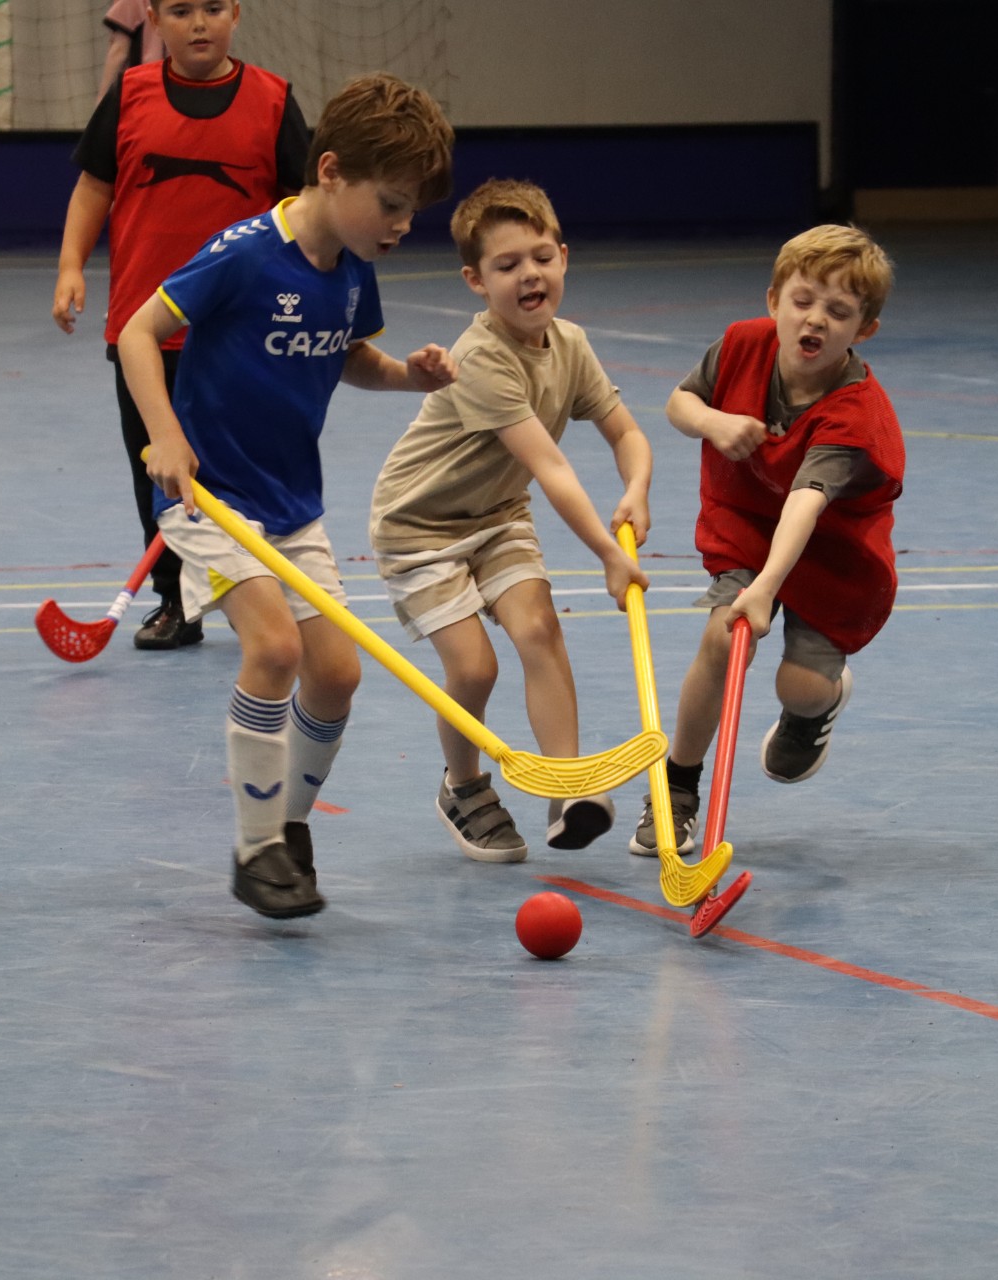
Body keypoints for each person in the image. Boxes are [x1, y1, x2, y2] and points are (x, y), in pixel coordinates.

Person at [119, 72, 455, 917]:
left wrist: (408, 378)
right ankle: (254, 844)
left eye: (411, 210)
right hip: (213, 501)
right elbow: (138, 332)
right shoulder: (241, 254)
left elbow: (350, 358)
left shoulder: (350, 268)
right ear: (332, 171)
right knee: (273, 651)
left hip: (292, 506)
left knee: (336, 675)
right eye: (391, 203)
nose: (402, 226)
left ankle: (289, 828)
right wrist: (164, 435)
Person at [368, 179, 653, 864]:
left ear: (563, 256)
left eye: (541, 256)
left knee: (539, 627)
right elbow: (552, 468)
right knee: (473, 669)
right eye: (507, 265)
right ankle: (463, 788)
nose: (530, 274)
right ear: (475, 280)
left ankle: (567, 789)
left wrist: (636, 488)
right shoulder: (481, 359)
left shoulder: (570, 344)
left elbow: (627, 434)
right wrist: (608, 554)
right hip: (421, 527)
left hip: (497, 515)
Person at [632, 224, 905, 856]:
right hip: (749, 524)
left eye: (839, 312)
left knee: (798, 685)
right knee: (722, 640)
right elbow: (679, 402)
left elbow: (807, 507)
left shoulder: (854, 417)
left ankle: (816, 707)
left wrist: (765, 589)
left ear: (864, 330)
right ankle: (676, 787)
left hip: (831, 553)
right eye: (803, 301)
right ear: (774, 299)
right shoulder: (739, 345)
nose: (815, 321)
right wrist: (713, 420)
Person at [54, 0, 309, 650]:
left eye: (213, 8)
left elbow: (303, 211)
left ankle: (261, 592)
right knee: (158, 471)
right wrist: (70, 268)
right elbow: (93, 189)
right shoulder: (129, 97)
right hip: (146, 329)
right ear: (154, 21)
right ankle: (175, 599)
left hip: (243, 336)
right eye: (180, 10)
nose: (199, 23)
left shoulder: (274, 101)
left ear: (237, 14)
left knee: (245, 470)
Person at [96, 0, 163, 104]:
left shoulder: (130, 2)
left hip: (144, 88)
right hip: (180, 83)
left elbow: (119, 51)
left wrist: (102, 101)